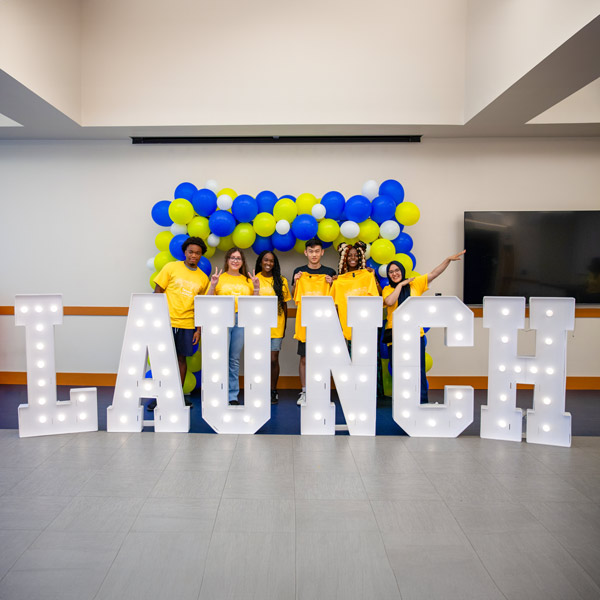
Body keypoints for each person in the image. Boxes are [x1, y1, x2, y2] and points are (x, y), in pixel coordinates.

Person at [383, 250, 465, 403]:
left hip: (415, 335)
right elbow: (389, 302)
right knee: (399, 371)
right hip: (395, 337)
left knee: (418, 370)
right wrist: (400, 285)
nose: (394, 274)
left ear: (402, 271)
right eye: (391, 272)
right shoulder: (388, 289)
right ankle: (403, 403)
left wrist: (447, 259)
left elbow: (434, 273)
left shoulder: (416, 283)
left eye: (397, 270)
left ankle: (422, 402)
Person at [151, 236, 209, 410]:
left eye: (197, 253)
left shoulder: (203, 279)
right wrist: (156, 318)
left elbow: (202, 306)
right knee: (163, 360)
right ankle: (159, 397)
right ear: (185, 252)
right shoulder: (171, 267)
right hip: (166, 323)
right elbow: (158, 290)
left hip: (187, 325)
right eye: (191, 252)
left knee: (181, 360)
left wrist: (198, 330)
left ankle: (177, 395)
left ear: (201, 256)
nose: (193, 255)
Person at [207, 247, 259, 405]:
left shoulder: (247, 280)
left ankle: (232, 395)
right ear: (227, 260)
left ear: (242, 262)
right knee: (220, 358)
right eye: (232, 257)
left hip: (241, 320)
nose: (235, 260)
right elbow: (207, 300)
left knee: (233, 359)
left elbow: (255, 304)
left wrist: (256, 287)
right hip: (222, 320)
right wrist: (213, 285)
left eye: (238, 258)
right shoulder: (219, 278)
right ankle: (217, 393)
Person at [292, 238, 336, 405]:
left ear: (322, 252)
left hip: (324, 324)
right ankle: (304, 392)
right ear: (306, 253)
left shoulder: (329, 272)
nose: (314, 254)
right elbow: (294, 295)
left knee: (323, 358)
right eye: (311, 251)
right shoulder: (299, 273)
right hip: (305, 324)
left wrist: (332, 284)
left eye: (317, 251)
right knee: (304, 358)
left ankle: (322, 390)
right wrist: (296, 282)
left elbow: (335, 298)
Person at [254, 251, 291, 404]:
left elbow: (285, 305)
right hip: (258, 327)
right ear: (260, 262)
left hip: (276, 326)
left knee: (273, 359)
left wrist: (284, 328)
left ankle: (272, 390)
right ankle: (259, 389)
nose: (268, 263)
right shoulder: (254, 279)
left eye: (271, 261)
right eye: (266, 260)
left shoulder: (281, 281)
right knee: (259, 360)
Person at [331, 241, 380, 342]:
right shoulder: (339, 281)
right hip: (347, 330)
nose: (353, 258)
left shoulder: (367, 275)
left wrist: (373, 277)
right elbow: (333, 307)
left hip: (366, 326)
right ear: (344, 258)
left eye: (356, 255)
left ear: (360, 257)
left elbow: (378, 296)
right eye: (349, 255)